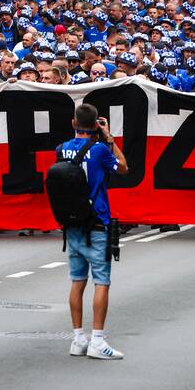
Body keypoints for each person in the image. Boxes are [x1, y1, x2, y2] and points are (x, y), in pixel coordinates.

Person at [58, 103, 129, 360]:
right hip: (97, 220)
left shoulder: (62, 148)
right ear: (96, 125)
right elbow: (123, 167)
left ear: (74, 123)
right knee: (102, 281)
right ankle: (98, 340)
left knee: (77, 281)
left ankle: (78, 338)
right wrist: (109, 137)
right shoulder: (99, 150)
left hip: (72, 223)